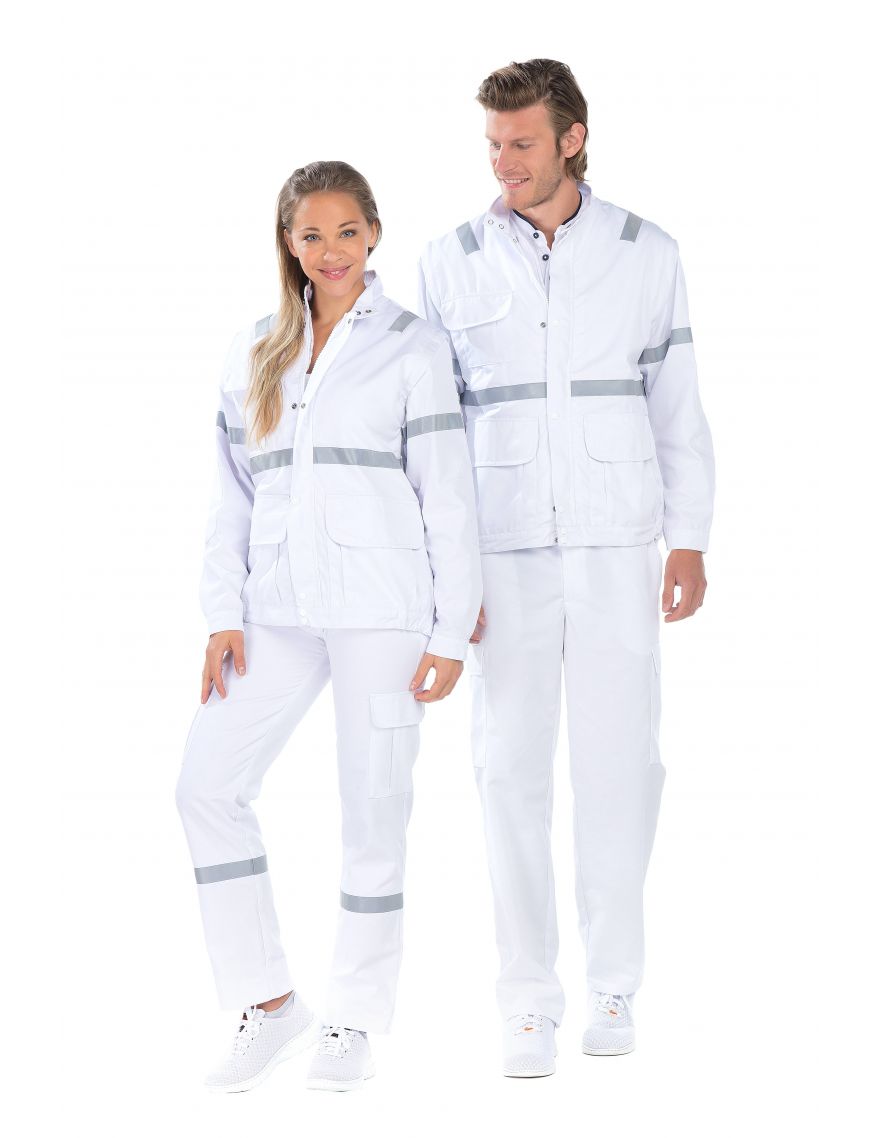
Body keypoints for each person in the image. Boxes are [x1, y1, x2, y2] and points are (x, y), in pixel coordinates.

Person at [418, 59, 715, 1077]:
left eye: (522, 143)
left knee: (621, 767)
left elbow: (676, 401)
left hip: (615, 544)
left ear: (572, 138)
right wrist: (444, 579)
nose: (503, 162)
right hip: (500, 555)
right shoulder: (449, 260)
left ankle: (614, 985)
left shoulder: (645, 252)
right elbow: (435, 437)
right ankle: (527, 1002)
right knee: (507, 772)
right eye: (493, 144)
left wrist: (689, 535)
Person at [176, 160, 482, 1093]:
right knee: (205, 786)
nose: (331, 250)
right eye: (311, 234)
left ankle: (352, 1016)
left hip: (382, 611)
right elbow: (231, 497)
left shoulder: (413, 347)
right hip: (275, 608)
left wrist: (451, 628)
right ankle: (270, 1003)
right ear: (289, 242)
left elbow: (449, 497)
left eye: (348, 231)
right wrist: (222, 614)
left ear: (374, 233)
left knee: (373, 807)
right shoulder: (254, 350)